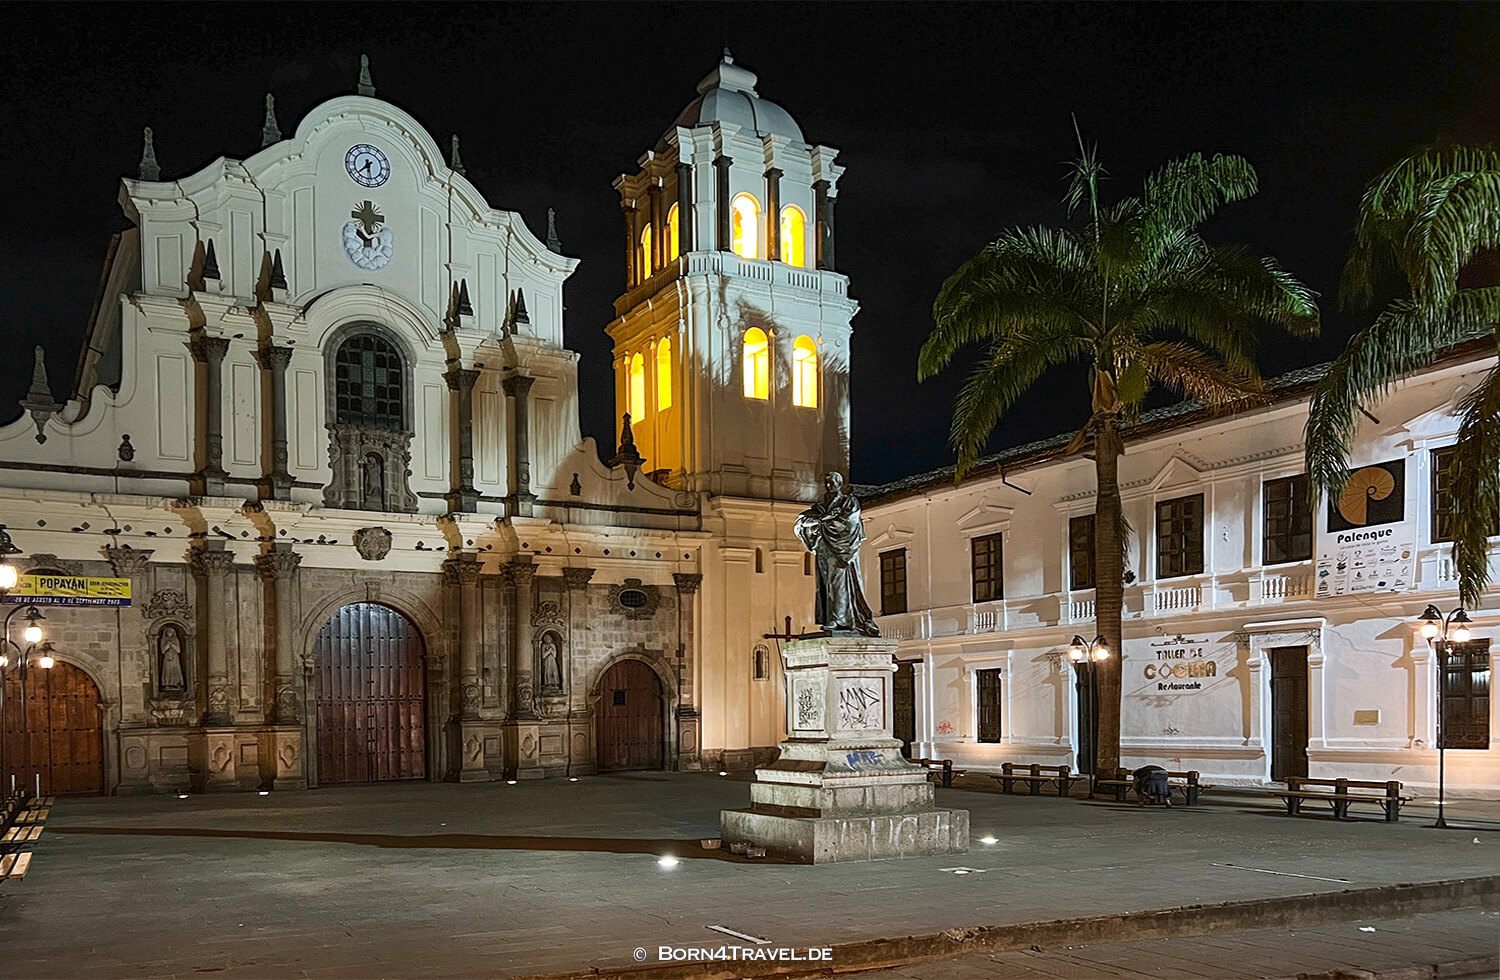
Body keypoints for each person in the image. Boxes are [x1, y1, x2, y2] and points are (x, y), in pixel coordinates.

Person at [794, 472, 880, 636]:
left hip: (841, 550)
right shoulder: (821, 506)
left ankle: (840, 620)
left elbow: (849, 522)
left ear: (839, 484)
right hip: (823, 548)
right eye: (826, 482)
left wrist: (824, 521)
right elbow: (802, 521)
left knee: (838, 583)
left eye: (832, 482)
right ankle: (829, 619)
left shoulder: (849, 502)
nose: (828, 485)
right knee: (825, 585)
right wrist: (822, 519)